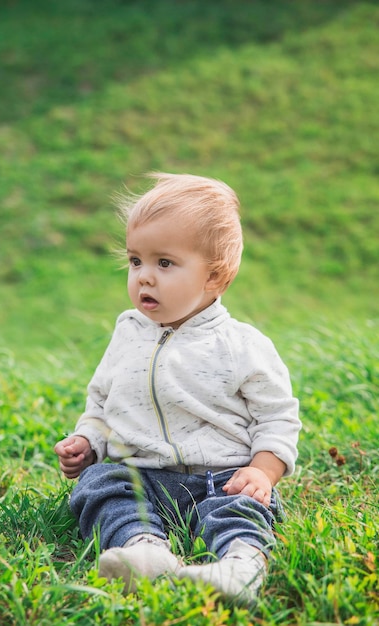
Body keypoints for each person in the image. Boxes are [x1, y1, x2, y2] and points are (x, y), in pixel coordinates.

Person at [54, 172, 301, 604]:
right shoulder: (128, 332)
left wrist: (262, 471)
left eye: (164, 263)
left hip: (219, 477)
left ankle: (240, 566)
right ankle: (143, 551)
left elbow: (277, 418)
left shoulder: (242, 345)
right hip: (141, 472)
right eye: (136, 261)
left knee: (239, 509)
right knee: (100, 485)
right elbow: (101, 401)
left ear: (215, 277)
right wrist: (88, 440)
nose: (144, 277)